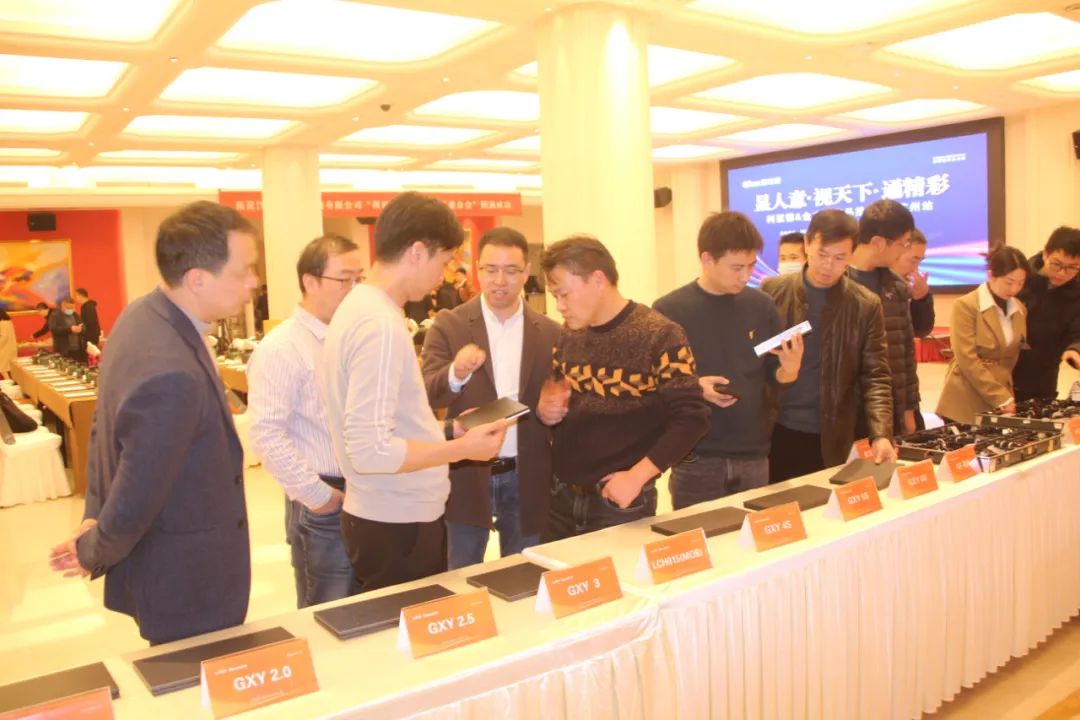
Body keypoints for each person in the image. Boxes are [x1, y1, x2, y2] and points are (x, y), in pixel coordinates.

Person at [48, 200, 259, 645]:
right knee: (192, 673)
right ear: (197, 279)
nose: (254, 283)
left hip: (167, 563)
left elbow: (104, 431)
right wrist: (93, 547)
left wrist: (93, 517)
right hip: (187, 578)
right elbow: (138, 485)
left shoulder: (142, 315)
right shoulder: (170, 369)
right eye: (244, 271)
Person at [320, 192, 507, 593]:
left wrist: (446, 432)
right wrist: (462, 449)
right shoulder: (379, 324)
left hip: (384, 514)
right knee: (410, 625)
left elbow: (382, 429)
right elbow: (371, 450)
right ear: (418, 252)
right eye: (445, 261)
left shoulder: (360, 308)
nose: (444, 274)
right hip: (397, 522)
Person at [537, 235, 709, 539]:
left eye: (564, 294)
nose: (560, 306)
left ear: (598, 280)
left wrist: (637, 476)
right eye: (554, 296)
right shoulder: (569, 335)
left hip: (618, 501)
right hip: (561, 497)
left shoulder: (660, 335)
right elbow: (558, 400)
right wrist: (547, 411)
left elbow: (692, 418)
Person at [422, 227, 561, 568]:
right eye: (491, 270)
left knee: (524, 574)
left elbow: (559, 396)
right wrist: (455, 373)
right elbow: (426, 393)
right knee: (460, 574)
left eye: (511, 271)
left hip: (526, 474)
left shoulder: (550, 332)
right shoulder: (449, 325)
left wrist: (555, 409)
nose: (500, 281)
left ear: (526, 272)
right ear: (478, 270)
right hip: (466, 473)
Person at [654, 212, 803, 509]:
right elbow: (654, 382)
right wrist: (695, 387)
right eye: (737, 268)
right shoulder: (669, 310)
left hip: (753, 452)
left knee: (755, 533)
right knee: (698, 533)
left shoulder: (761, 306)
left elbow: (774, 376)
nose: (746, 276)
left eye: (751, 266)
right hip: (696, 454)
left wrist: (790, 370)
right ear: (707, 259)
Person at [248, 234, 365, 608]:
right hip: (325, 500)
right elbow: (266, 434)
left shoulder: (353, 338)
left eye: (359, 279)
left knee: (369, 607)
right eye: (343, 279)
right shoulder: (282, 348)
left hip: (368, 491)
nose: (354, 290)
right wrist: (319, 497)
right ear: (310, 281)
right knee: (330, 611)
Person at [761, 209, 896, 482]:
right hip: (776, 428)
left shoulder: (865, 305)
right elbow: (754, 361)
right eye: (822, 254)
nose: (827, 266)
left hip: (833, 435)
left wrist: (881, 434)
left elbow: (876, 376)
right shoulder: (772, 292)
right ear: (807, 244)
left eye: (839, 258)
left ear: (852, 255)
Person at [849, 199, 919, 435]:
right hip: (848, 412)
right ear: (878, 242)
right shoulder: (838, 283)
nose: (904, 251)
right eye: (903, 243)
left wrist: (908, 408)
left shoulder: (896, 286)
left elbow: (906, 351)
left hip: (889, 408)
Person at [937, 247, 1030, 424]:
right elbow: (966, 358)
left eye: (1020, 283)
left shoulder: (1019, 308)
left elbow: (1011, 357)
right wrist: (999, 395)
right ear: (991, 275)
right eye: (1009, 282)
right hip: (965, 396)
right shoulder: (966, 305)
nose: (1014, 289)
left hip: (1001, 398)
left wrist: (1004, 394)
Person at [1013, 226, 1080, 401]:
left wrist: (1075, 350)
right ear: (1045, 254)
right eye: (1056, 264)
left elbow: (1077, 333)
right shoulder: (1020, 279)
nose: (1062, 273)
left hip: (1043, 377)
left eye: (1072, 268)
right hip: (1005, 372)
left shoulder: (1077, 294)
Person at [890, 228, 935, 338]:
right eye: (914, 260)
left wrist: (921, 300)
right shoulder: (867, 286)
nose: (916, 269)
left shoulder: (901, 289)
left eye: (920, 261)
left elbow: (920, 332)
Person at [0, 308, 15, 378]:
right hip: (10, 347)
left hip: (5, 348)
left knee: (2, 368)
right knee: (8, 368)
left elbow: (4, 337)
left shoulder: (2, 323)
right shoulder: (8, 321)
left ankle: (9, 382)